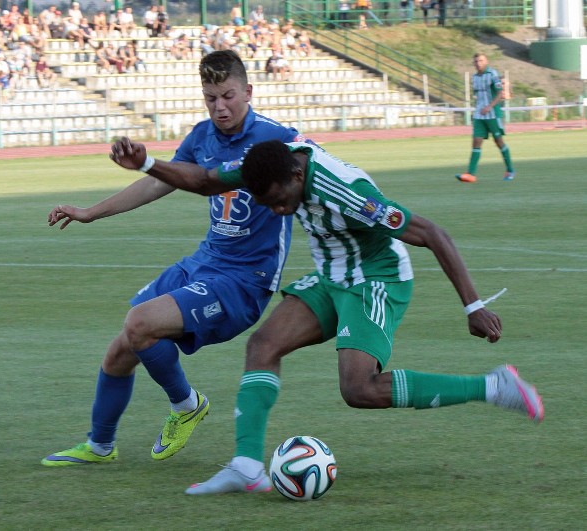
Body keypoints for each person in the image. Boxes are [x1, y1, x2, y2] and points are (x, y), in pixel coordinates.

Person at [108, 137, 545, 494]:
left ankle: (493, 386)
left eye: (280, 200)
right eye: (267, 203)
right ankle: (246, 467)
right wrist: (149, 163)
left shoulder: (345, 191)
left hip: (376, 278)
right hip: (331, 275)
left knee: (358, 389)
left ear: (297, 176)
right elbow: (204, 180)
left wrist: (474, 306)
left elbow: (431, 233)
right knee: (263, 345)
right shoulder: (266, 166)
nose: (278, 210)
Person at [41, 50, 303, 468]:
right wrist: (91, 212)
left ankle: (186, 405)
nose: (220, 106)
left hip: (245, 281)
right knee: (122, 348)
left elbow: (312, 180)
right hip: (204, 262)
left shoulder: (280, 138)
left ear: (248, 92)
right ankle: (99, 446)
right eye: (210, 97)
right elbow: (156, 185)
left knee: (140, 324)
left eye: (228, 96)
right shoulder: (202, 136)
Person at [456, 53, 515, 183]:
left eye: (481, 61)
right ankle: (471, 174)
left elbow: (500, 93)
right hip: (479, 115)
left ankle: (510, 170)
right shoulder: (474, 77)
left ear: (486, 61)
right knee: (476, 141)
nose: (478, 63)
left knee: (499, 142)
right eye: (476, 61)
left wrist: (489, 106)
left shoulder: (492, 74)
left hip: (492, 114)